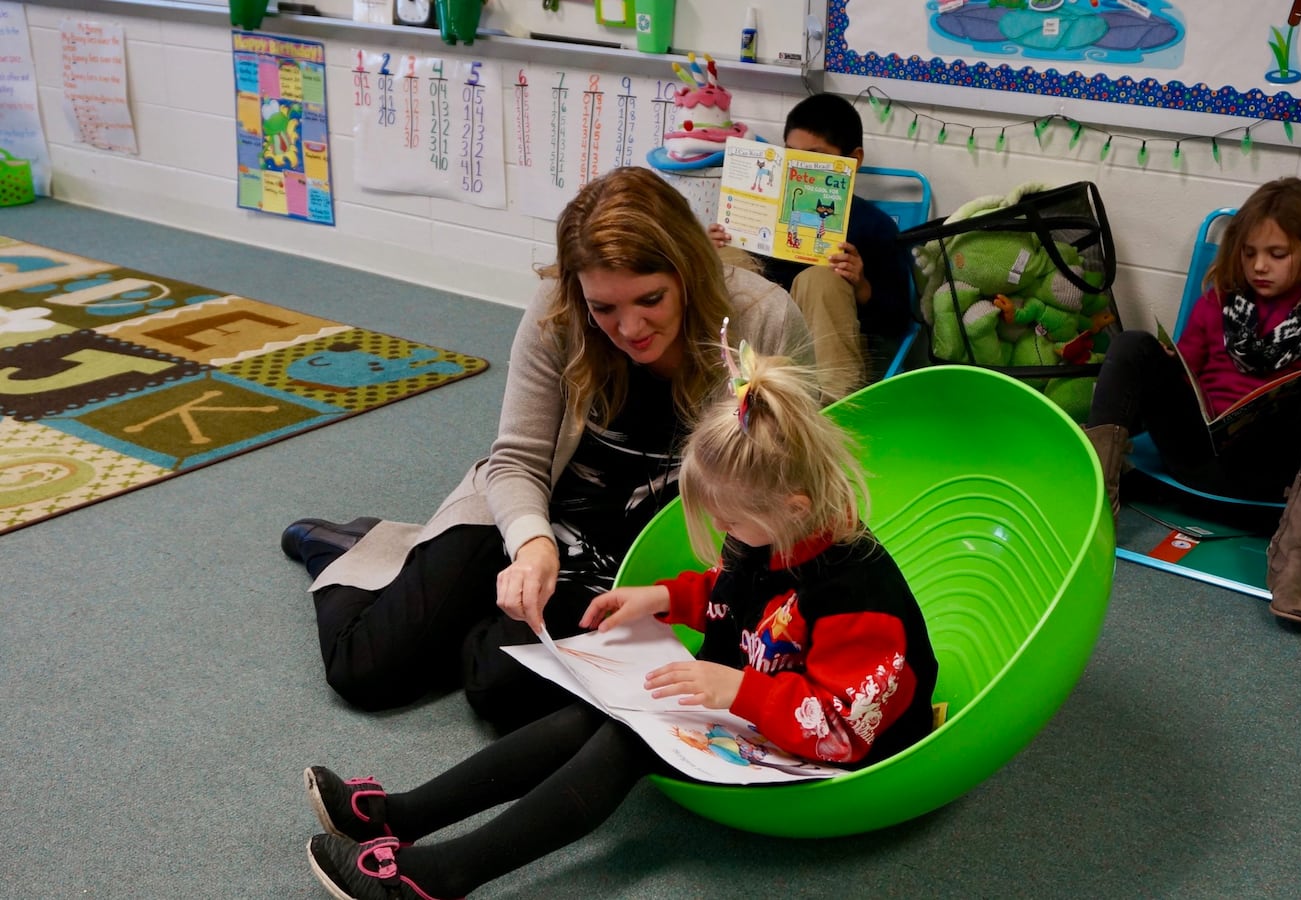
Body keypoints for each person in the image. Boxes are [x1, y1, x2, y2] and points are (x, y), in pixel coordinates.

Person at [300, 350, 939, 900]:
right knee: (598, 710)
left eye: (733, 525)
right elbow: (740, 598)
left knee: (628, 740)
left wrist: (735, 690)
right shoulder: (775, 537)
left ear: (792, 507)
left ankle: (436, 877)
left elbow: (843, 729)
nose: (726, 537)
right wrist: (661, 599)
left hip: (832, 753)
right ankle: (400, 814)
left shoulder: (857, 597)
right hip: (764, 708)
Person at [280, 166, 812, 733]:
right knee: (365, 670)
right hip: (528, 513)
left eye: (650, 299)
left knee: (497, 687)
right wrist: (531, 545)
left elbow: (793, 477)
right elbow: (517, 459)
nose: (629, 328)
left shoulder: (764, 317)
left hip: (639, 560)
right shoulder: (558, 309)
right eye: (603, 308)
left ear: (688, 272)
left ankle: (439, 581)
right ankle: (351, 549)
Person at [1084, 177, 1301, 628]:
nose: (1260, 266)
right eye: (1249, 253)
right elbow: (1186, 372)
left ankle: (1294, 560)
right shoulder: (1217, 301)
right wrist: (1166, 366)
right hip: (1198, 453)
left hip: (1275, 472)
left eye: (1277, 255)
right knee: (1131, 344)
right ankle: (1093, 512)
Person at [708, 92, 913, 403]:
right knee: (725, 258)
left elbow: (898, 320)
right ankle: (721, 389)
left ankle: (833, 417)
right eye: (792, 154)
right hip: (761, 343)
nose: (801, 167)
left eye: (815, 157)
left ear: (853, 160)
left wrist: (862, 287)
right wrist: (709, 250)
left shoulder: (875, 226)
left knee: (824, 278)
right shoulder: (764, 208)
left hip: (827, 362)